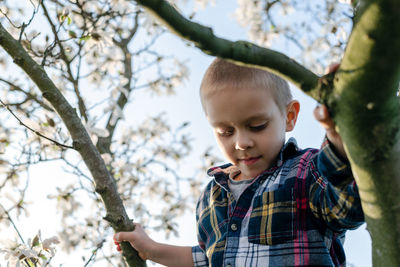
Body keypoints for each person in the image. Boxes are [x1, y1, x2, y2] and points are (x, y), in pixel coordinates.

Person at [113, 58, 364, 267]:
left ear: (289, 116)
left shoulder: (306, 171)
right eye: (225, 132)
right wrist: (152, 250)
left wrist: (340, 136)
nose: (241, 142)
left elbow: (347, 208)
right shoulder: (211, 196)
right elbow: (205, 258)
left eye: (257, 126)